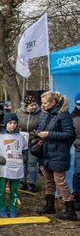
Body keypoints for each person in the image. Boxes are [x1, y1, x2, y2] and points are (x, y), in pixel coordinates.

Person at [37, 91, 77, 220]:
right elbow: (41, 128)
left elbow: (69, 134)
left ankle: (70, 210)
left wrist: (49, 134)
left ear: (53, 102)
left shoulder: (63, 115)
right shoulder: (44, 114)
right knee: (49, 180)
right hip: (46, 152)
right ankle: (50, 206)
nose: (42, 106)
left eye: (44, 103)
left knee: (60, 182)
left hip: (59, 153)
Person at [0, 113, 27, 218]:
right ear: (5, 123)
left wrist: (24, 159)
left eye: (15, 123)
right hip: (4, 168)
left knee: (14, 191)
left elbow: (25, 150)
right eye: (10, 123)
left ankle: (13, 208)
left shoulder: (20, 137)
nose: (12, 125)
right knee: (1, 191)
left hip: (17, 168)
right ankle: (1, 209)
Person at [14, 95, 41, 192]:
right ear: (25, 105)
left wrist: (37, 132)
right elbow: (14, 124)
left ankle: (31, 183)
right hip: (21, 140)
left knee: (32, 162)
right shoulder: (18, 112)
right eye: (31, 105)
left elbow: (42, 125)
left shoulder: (39, 113)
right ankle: (22, 181)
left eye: (35, 105)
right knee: (22, 162)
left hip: (34, 141)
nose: (34, 107)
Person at [72, 93, 80, 211]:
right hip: (79, 148)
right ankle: (78, 198)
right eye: (79, 104)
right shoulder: (72, 116)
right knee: (78, 173)